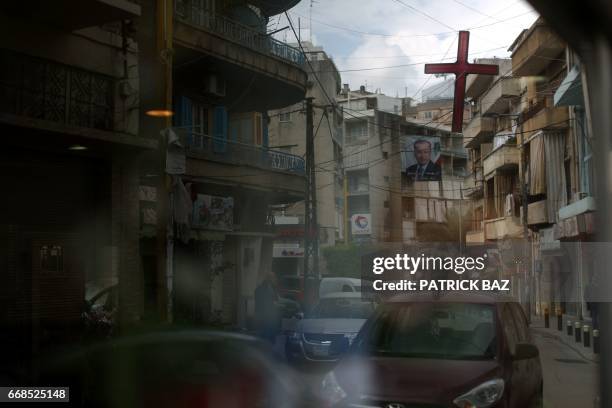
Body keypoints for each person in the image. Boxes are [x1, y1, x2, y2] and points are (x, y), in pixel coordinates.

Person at [254, 273, 280, 342]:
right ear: (270, 279)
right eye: (274, 278)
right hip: (267, 317)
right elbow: (273, 302)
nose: (276, 280)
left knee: (266, 337)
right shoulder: (266, 289)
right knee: (267, 338)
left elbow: (275, 300)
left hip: (267, 317)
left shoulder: (270, 288)